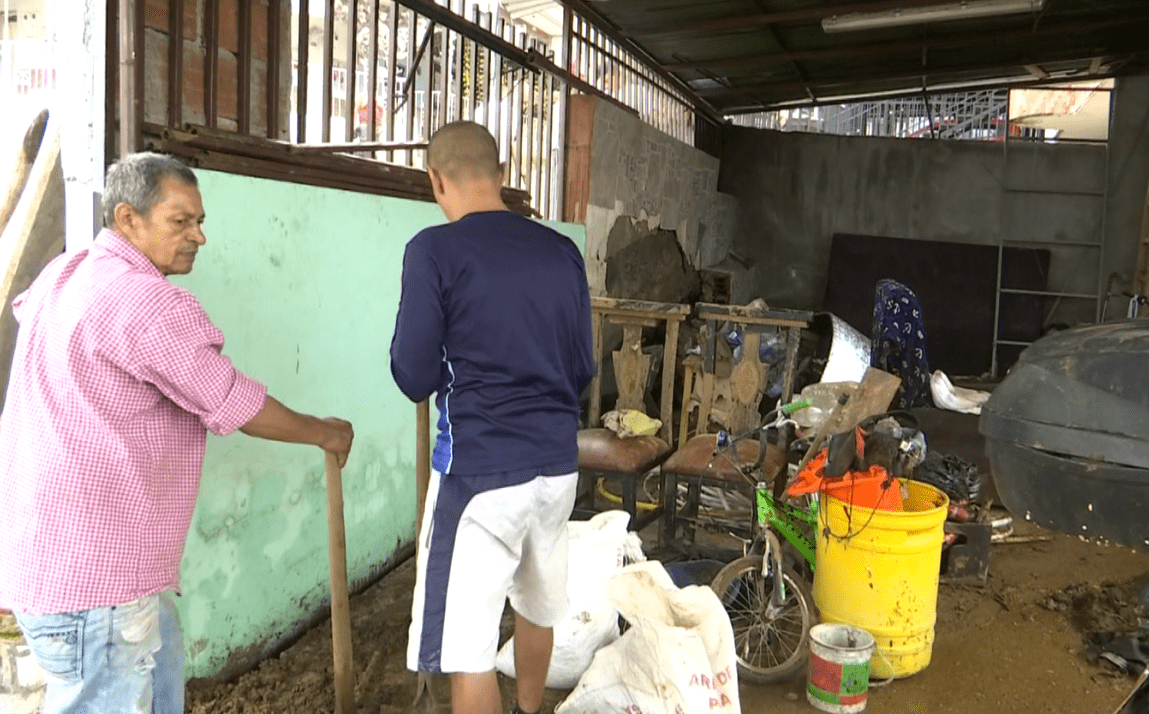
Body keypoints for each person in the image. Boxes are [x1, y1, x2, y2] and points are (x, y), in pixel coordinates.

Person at [0, 152, 354, 714]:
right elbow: (228, 399)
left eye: (200, 221)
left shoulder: (66, 272)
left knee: (157, 683)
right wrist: (324, 433)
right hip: (99, 583)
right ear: (128, 219)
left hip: (52, 560)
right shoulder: (145, 301)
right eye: (180, 221)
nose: (198, 237)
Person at [390, 121, 594, 714]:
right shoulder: (562, 250)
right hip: (557, 469)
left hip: (480, 477)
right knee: (537, 605)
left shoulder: (433, 250)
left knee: (467, 650)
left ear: (435, 179)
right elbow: (582, 365)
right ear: (501, 177)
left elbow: (413, 376)